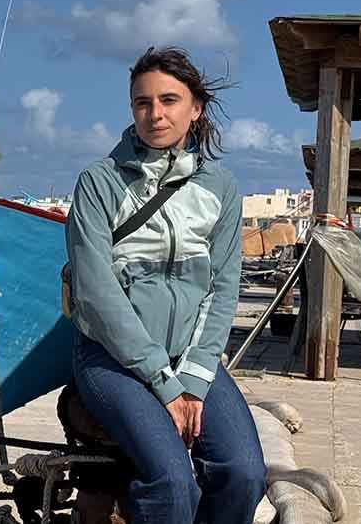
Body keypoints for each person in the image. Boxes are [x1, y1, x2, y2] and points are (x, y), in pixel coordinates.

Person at [65, 46, 266, 523]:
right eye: (142, 102)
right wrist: (162, 380)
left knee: (244, 472)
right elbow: (96, 292)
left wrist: (193, 381)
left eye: (168, 100)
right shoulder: (99, 182)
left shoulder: (220, 188)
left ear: (195, 108)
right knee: (171, 481)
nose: (155, 114)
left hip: (190, 359)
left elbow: (222, 288)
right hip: (113, 359)